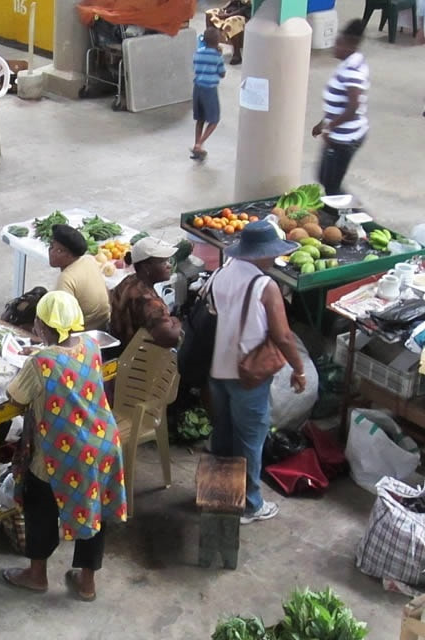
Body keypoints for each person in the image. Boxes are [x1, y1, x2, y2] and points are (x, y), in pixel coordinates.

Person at [0, 291, 126, 600]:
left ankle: (36, 574)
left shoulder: (42, 361)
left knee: (39, 501)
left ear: (42, 327)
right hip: (103, 442)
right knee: (92, 507)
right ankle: (86, 583)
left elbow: (16, 397)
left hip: (63, 452)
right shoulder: (92, 347)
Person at [209, 221, 306, 524]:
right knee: (250, 439)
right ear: (263, 254)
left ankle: (219, 496)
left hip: (216, 369)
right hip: (247, 374)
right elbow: (283, 336)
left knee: (223, 434)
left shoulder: (220, 274)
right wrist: (299, 368)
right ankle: (250, 505)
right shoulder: (265, 286)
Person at [312, 20, 369, 196]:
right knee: (325, 178)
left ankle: (358, 218)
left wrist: (329, 128)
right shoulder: (347, 65)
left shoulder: (352, 71)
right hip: (339, 134)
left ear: (349, 45)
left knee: (332, 185)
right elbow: (339, 102)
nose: (334, 46)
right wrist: (323, 123)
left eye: (338, 43)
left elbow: (352, 108)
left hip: (345, 138)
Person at [109, 237, 182, 348]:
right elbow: (170, 338)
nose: (169, 265)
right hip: (134, 355)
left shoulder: (128, 281)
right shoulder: (150, 302)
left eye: (168, 261)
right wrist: (177, 321)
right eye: (163, 262)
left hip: (119, 345)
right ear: (146, 267)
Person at [49, 223, 111, 332]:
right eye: (51, 246)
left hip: (84, 334)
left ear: (69, 255)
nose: (51, 252)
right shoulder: (89, 259)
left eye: (58, 250)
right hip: (104, 324)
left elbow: (63, 323)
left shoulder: (66, 279)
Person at [191, 27, 226, 162]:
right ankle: (200, 144)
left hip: (197, 88)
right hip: (210, 90)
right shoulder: (217, 57)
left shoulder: (198, 53)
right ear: (217, 42)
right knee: (214, 120)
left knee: (200, 119)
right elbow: (222, 73)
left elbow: (195, 67)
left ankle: (196, 144)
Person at [205, 0, 251, 65]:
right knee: (209, 13)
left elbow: (245, 9)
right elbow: (232, 2)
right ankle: (212, 48)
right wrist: (223, 9)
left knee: (231, 21)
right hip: (231, 10)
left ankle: (237, 54)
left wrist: (226, 15)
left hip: (244, 15)